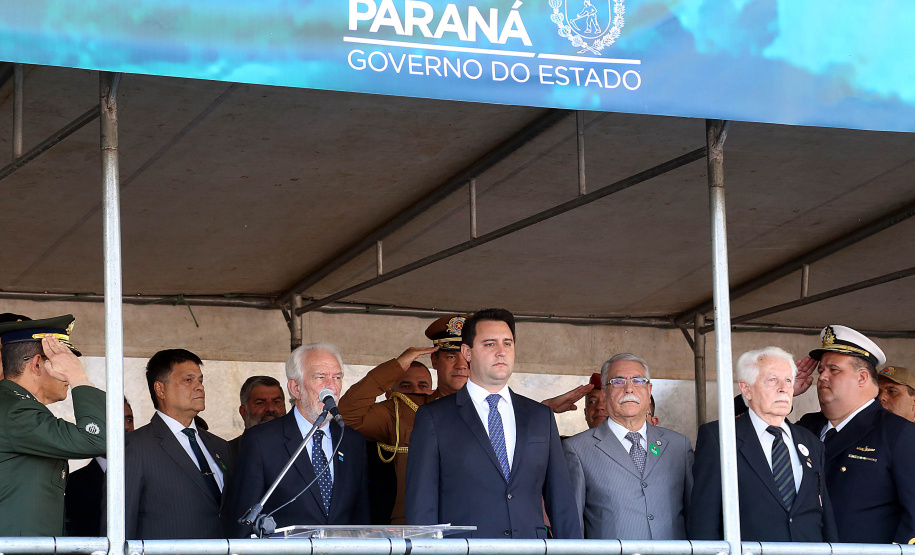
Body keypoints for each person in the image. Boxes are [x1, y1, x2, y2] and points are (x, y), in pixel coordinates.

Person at [405, 308, 582, 539]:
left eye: (507, 343)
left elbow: (562, 502)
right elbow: (421, 504)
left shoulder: (540, 416)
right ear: (467, 352)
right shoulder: (435, 417)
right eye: (490, 344)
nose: (501, 352)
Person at [690, 347, 837, 542]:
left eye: (788, 380)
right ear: (746, 389)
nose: (783, 388)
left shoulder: (810, 441)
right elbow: (703, 518)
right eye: (772, 380)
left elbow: (823, 512)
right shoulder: (720, 436)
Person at [223, 343, 369, 537]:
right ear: (295, 388)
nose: (332, 386)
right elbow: (242, 519)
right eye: (320, 377)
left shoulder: (352, 442)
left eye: (337, 377)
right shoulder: (261, 441)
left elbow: (361, 518)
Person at [796, 325, 915, 544]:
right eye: (820, 370)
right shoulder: (805, 427)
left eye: (834, 370)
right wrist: (779, 391)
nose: (822, 377)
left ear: (862, 378)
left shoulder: (899, 434)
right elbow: (745, 445)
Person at [564, 354, 692, 540]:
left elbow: (696, 515)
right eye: (618, 381)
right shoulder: (577, 449)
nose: (629, 388)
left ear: (649, 391)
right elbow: (572, 527)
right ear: (605, 394)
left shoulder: (678, 445)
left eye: (638, 381)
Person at [0, 315, 106, 537]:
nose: (68, 374)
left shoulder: (16, 406)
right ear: (37, 364)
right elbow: (98, 438)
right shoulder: (15, 411)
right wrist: (78, 377)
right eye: (63, 363)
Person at [125, 349, 231, 539]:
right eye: (188, 380)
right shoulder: (134, 447)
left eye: (200, 380)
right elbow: (120, 525)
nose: (199, 387)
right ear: (160, 389)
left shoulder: (220, 447)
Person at [65, 399, 136, 536]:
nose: (126, 427)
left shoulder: (150, 473)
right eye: (116, 420)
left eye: (129, 420)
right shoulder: (74, 483)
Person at [229, 375, 287, 458]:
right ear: (244, 412)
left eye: (276, 402)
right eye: (260, 403)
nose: (270, 409)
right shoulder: (228, 452)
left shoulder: (300, 447)